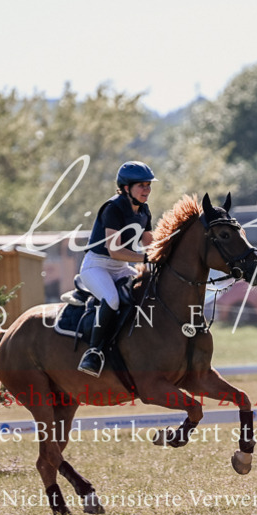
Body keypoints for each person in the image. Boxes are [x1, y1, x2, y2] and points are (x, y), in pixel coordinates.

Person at [76, 161, 156, 377]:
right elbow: (115, 251)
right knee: (112, 299)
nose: (147, 190)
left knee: (149, 292)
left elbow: (150, 242)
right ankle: (93, 352)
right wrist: (148, 257)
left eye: (149, 185)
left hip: (121, 267)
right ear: (126, 187)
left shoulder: (144, 210)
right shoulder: (113, 208)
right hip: (96, 266)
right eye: (142, 185)